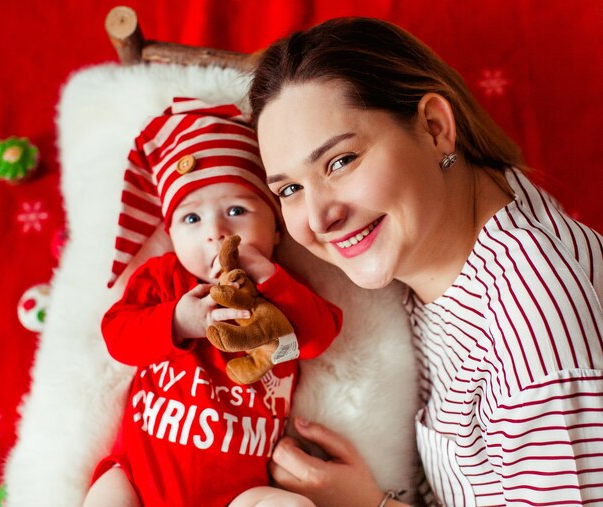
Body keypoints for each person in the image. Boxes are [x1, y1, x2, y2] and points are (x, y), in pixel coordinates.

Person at [248, 17, 603, 507]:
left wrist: (373, 506)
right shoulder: (443, 235)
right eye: (289, 188)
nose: (317, 219)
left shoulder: (535, 315)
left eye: (340, 161)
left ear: (435, 129)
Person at [82, 98, 342, 507]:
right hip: (139, 479)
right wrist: (178, 321)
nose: (217, 233)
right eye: (191, 219)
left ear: (276, 227)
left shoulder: (284, 288)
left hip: (240, 494)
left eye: (236, 211)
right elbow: (117, 336)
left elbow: (317, 339)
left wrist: (273, 280)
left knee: (292, 506)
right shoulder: (165, 279)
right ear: (171, 233)